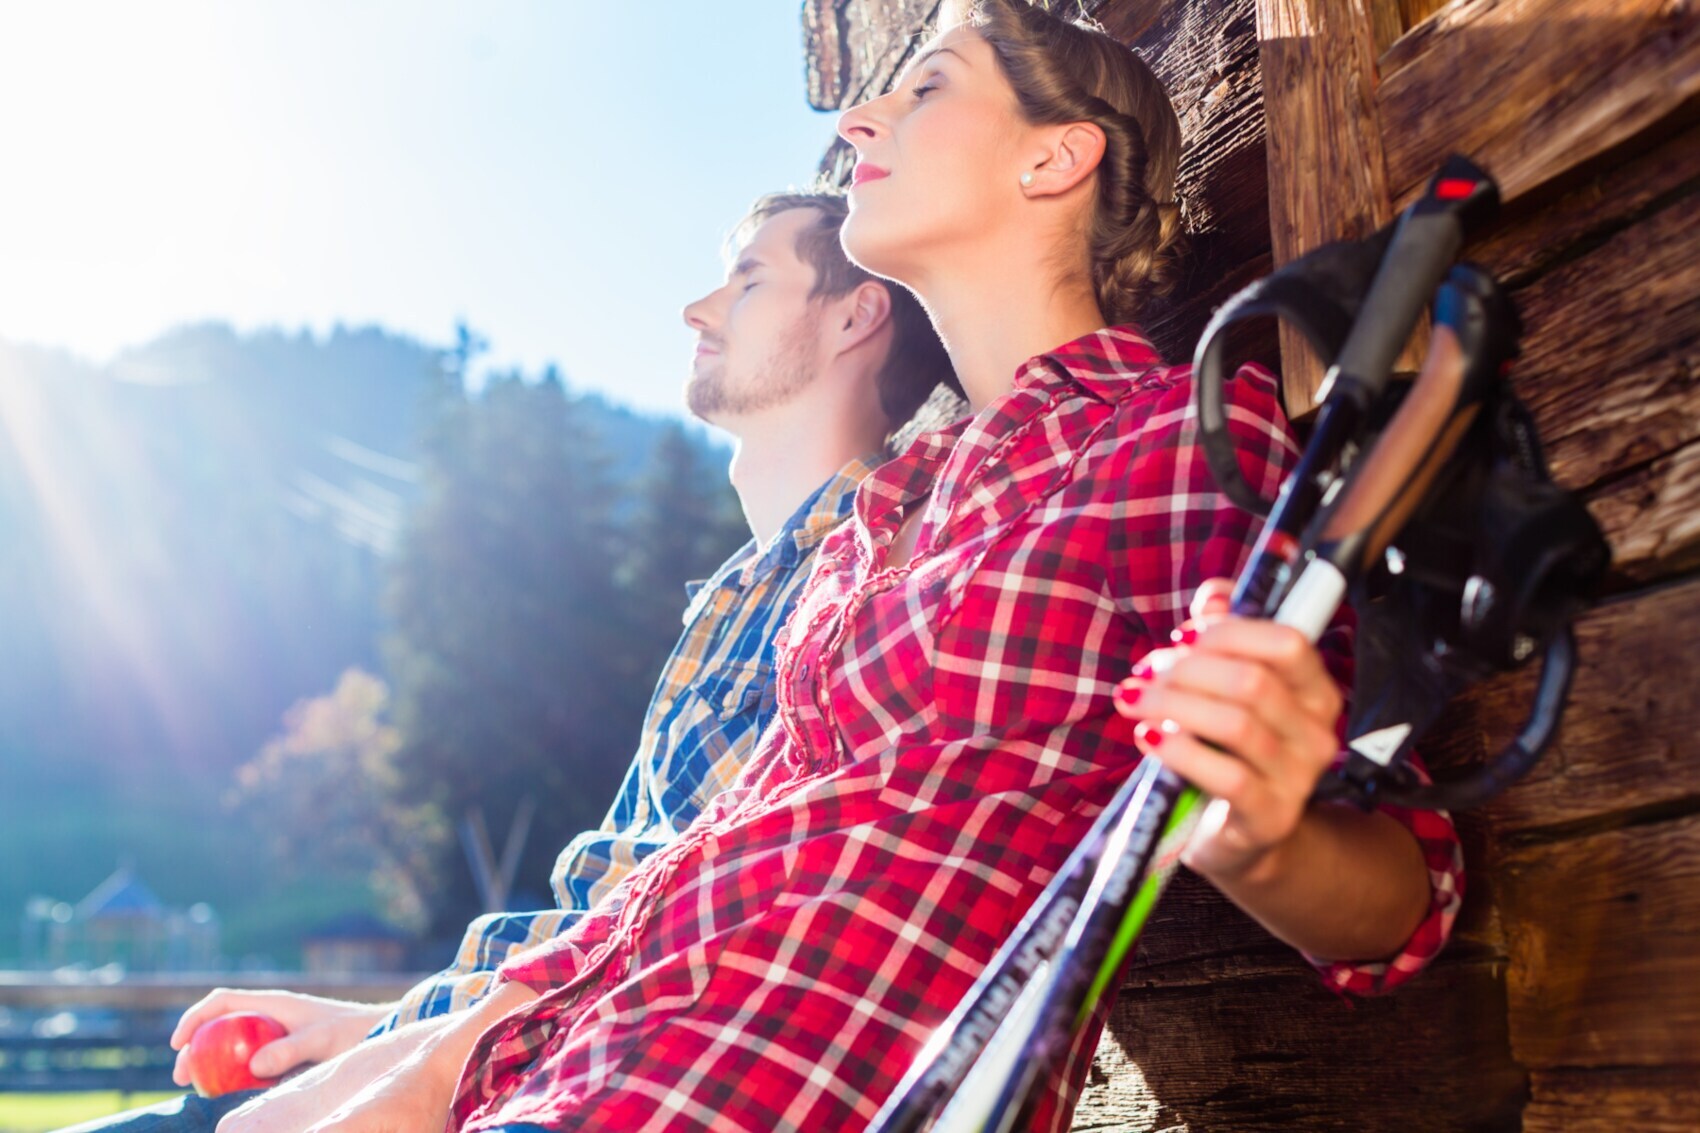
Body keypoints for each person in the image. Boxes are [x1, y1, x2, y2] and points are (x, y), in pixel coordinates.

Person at [214, 3, 1466, 1131]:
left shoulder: (1173, 444)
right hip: (573, 1068)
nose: (861, 111)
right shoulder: (883, 511)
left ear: (1053, 156)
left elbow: (1401, 892)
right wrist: (432, 1053)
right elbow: (699, 863)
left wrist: (1258, 834)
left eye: (923, 89)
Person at [57, 189, 955, 1133]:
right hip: (509, 1055)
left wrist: (394, 1049)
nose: (698, 310)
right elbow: (606, 917)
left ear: (857, 315)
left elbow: (661, 936)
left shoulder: (858, 587)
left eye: (749, 279)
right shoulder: (745, 589)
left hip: (566, 1083)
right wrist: (372, 1028)